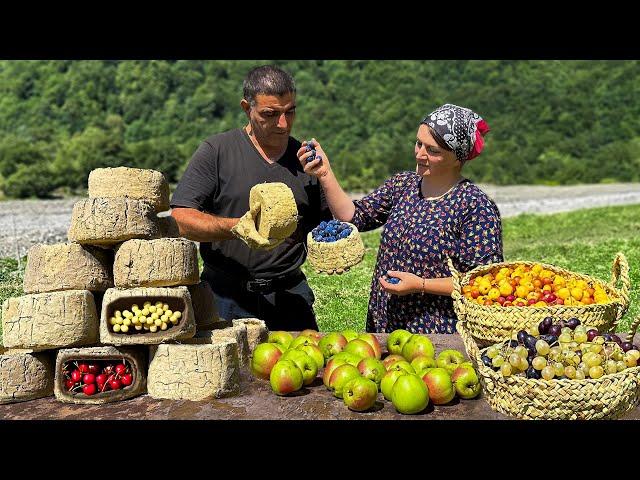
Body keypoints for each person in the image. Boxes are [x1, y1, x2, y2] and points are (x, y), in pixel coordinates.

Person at [297, 104, 504, 334]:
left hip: (436, 332)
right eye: (418, 143)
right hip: (385, 322)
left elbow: (484, 283)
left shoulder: (475, 206)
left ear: (458, 158)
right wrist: (325, 173)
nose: (419, 154)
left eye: (432, 150)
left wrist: (421, 286)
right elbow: (354, 217)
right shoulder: (403, 185)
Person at [170, 65, 331, 331]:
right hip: (224, 297)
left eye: (290, 111)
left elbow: (324, 228)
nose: (283, 124)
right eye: (270, 114)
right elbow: (181, 220)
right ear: (247, 108)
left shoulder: (306, 159)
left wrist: (334, 247)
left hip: (289, 296)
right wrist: (237, 228)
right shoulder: (217, 151)